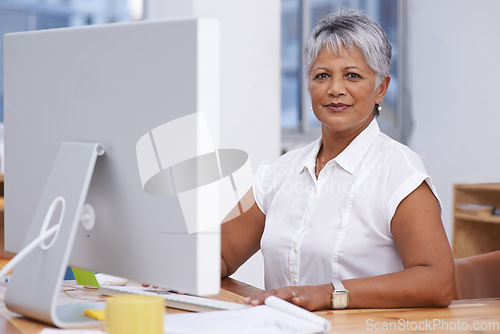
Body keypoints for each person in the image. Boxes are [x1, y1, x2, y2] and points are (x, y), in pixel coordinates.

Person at [220, 8, 455, 311]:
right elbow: (221, 254)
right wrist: (172, 266)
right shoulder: (279, 173)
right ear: (309, 86)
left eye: (352, 75)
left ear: (380, 88)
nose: (335, 89)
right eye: (322, 76)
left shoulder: (399, 171)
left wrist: (329, 294)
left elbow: (438, 281)